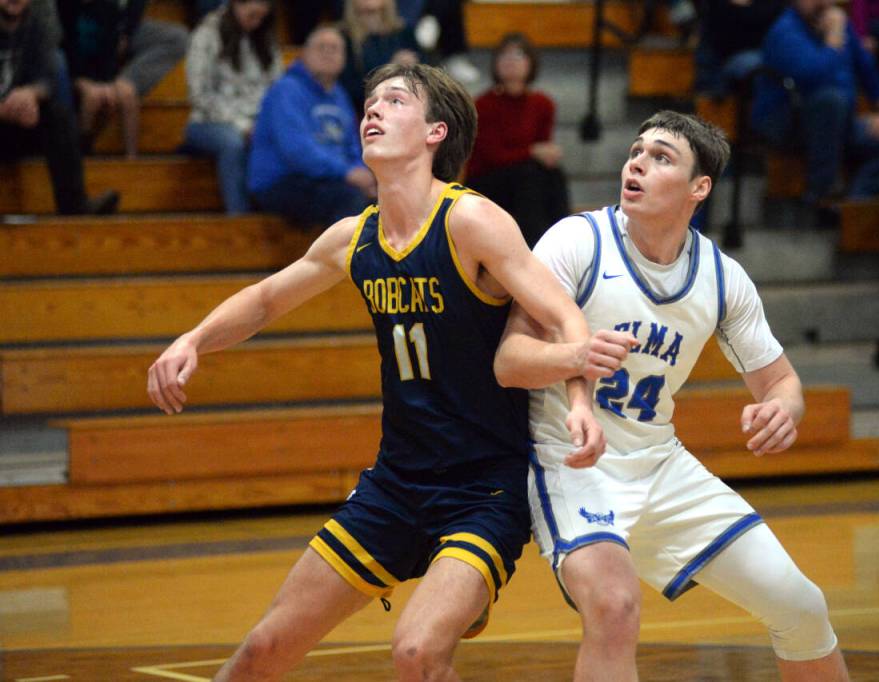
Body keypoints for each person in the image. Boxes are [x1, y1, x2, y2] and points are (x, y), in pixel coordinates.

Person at [147, 62, 603, 682]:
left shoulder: (473, 222)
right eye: (369, 101)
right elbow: (263, 300)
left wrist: (581, 400)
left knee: (415, 653)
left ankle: (460, 593)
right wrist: (194, 339)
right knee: (261, 651)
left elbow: (563, 318)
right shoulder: (354, 236)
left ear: (436, 132)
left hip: (483, 489)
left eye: (394, 100)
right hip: (396, 483)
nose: (372, 110)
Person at [493, 110, 850, 681]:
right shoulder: (577, 240)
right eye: (637, 150)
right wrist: (573, 357)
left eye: (662, 157)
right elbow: (509, 363)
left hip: (661, 464)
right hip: (574, 460)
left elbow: (781, 382)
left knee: (802, 607)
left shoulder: (720, 275)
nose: (637, 162)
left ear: (699, 188)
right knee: (614, 608)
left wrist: (783, 409)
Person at [753, 0, 879, 207]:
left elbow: (865, 66)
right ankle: (820, 194)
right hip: (786, 121)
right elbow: (814, 77)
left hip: (839, 122)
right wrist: (833, 40)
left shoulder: (839, 25)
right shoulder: (785, 31)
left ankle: (855, 202)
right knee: (830, 101)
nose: (821, 2)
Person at [247, 26, 375, 228]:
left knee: (387, 199)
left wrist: (364, 175)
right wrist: (347, 173)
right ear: (304, 54)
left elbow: (352, 146)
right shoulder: (286, 90)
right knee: (348, 199)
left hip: (327, 179)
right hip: (281, 181)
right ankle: (340, 260)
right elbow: (297, 151)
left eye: (335, 48)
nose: (328, 53)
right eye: (321, 47)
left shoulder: (340, 95)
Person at [0, 0, 119, 215]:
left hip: (21, 120)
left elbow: (49, 72)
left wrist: (33, 94)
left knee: (58, 114)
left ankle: (75, 206)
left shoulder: (42, 12)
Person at [464, 33, 569, 248]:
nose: (511, 60)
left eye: (519, 55)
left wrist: (546, 155)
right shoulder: (483, 104)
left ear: (531, 63)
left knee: (553, 174)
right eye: (505, 55)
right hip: (487, 179)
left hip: (524, 176)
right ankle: (535, 249)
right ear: (495, 63)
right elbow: (491, 156)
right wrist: (532, 152)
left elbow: (542, 150)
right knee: (529, 174)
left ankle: (564, 244)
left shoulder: (543, 104)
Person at [183, 0, 281, 214]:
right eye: (252, 15)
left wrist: (262, 124)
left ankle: (274, 213)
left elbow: (277, 88)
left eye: (262, 17)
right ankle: (238, 216)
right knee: (232, 143)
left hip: (258, 120)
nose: (256, 23)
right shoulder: (207, 34)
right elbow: (199, 94)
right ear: (236, 4)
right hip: (210, 120)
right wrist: (242, 125)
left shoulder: (265, 37)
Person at [57, 0, 188, 157]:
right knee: (90, 97)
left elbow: (109, 52)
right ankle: (81, 152)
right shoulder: (62, 8)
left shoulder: (108, 7)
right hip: (71, 73)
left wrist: (108, 84)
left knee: (125, 94)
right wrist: (82, 82)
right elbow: (64, 50)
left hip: (102, 72)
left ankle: (131, 161)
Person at [339, 0, 421, 110]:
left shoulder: (404, 33)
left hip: (407, 104)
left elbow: (426, 70)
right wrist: (391, 69)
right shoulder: (344, 37)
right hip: (363, 110)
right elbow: (346, 87)